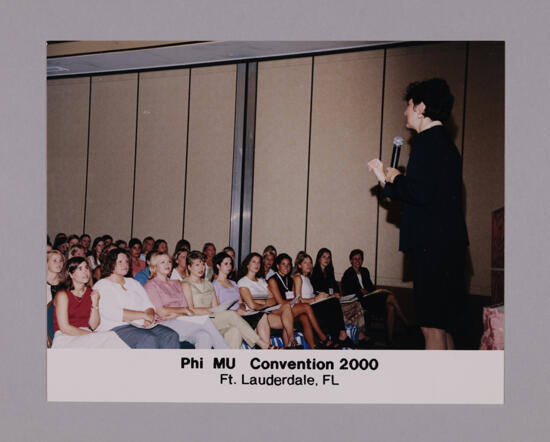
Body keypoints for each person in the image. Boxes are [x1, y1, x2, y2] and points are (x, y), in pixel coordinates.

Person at [367, 78, 468, 350]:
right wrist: (392, 181)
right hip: (449, 248)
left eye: (409, 105)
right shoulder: (446, 145)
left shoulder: (426, 143)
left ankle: (433, 391)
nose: (405, 112)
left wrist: (394, 179)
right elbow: (427, 194)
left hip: (432, 248)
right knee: (442, 326)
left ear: (421, 107)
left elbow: (420, 193)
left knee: (430, 326)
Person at [181, 251, 271, 349]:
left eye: (203, 264)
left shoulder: (208, 284)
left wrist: (215, 310)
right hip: (199, 319)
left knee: (235, 330)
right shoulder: (186, 284)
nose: (201, 268)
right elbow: (191, 309)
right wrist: (211, 310)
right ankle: (263, 344)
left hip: (212, 318)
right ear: (189, 267)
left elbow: (216, 307)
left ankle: (230, 361)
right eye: (197, 265)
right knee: (231, 314)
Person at [93, 248, 180, 348]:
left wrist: (149, 317)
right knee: (148, 339)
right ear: (111, 264)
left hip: (140, 325)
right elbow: (113, 312)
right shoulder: (102, 285)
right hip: (116, 327)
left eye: (126, 261)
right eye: (120, 262)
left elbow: (148, 305)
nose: (125, 264)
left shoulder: (132, 283)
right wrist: (143, 315)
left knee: (171, 335)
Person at [144, 252, 229, 349]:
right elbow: (161, 311)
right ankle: (227, 354)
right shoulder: (151, 285)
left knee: (204, 336)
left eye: (169, 262)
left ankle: (203, 363)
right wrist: (182, 311)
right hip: (164, 324)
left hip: (180, 320)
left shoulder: (175, 283)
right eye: (162, 262)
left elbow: (186, 308)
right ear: (154, 266)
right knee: (204, 320)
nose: (167, 265)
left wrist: (180, 313)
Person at [51, 257, 128, 348]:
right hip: (65, 337)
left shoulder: (91, 293)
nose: (85, 272)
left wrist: (95, 303)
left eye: (86, 268)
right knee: (109, 337)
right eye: (80, 269)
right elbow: (65, 328)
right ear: (71, 274)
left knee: (110, 340)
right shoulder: (62, 295)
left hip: (86, 337)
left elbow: (94, 325)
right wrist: (90, 334)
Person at [341, 249, 409, 345]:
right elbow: (346, 290)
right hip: (360, 302)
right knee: (390, 297)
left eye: (360, 259)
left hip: (370, 298)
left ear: (362, 260)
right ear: (351, 260)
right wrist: (359, 291)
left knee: (391, 307)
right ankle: (406, 323)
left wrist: (370, 291)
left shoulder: (365, 271)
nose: (357, 261)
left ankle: (390, 339)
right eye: (355, 259)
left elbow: (371, 287)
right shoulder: (348, 273)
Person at [267, 253, 333, 349]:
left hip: (289, 307)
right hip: (277, 309)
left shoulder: (289, 279)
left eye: (289, 264)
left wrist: (295, 301)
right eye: (283, 264)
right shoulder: (273, 280)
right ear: (277, 266)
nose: (287, 267)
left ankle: (312, 348)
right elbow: (279, 301)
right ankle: (322, 336)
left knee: (304, 318)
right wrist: (294, 302)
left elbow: (294, 297)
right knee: (306, 307)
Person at [311, 248, 372, 348]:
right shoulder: (315, 273)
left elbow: (335, 286)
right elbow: (317, 291)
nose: (327, 259)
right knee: (334, 303)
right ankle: (342, 334)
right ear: (318, 259)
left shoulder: (329, 272)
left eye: (329, 257)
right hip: (319, 302)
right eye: (324, 257)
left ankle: (352, 334)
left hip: (330, 300)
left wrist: (337, 293)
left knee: (353, 304)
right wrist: (331, 295)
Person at [238, 253, 300, 349]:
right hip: (255, 314)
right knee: (288, 322)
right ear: (247, 264)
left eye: (259, 262)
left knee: (287, 308)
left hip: (267, 311)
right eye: (254, 262)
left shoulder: (261, 281)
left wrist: (261, 303)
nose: (257, 265)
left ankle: (291, 341)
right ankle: (289, 344)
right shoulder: (243, 282)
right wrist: (265, 303)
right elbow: (252, 305)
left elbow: (273, 300)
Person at [293, 253, 355, 348]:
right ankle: (335, 337)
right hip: (304, 307)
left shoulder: (307, 278)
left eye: (310, 263)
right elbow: (298, 300)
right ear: (299, 265)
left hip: (312, 304)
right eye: (305, 263)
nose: (309, 265)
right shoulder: (298, 277)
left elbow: (311, 295)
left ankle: (337, 336)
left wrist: (321, 296)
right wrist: (315, 298)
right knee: (332, 304)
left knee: (333, 301)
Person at [212, 252, 272, 348]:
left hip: (240, 315)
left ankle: (265, 353)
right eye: (226, 264)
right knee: (235, 323)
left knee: (261, 315)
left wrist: (244, 310)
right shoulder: (214, 285)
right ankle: (264, 345)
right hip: (227, 317)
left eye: (230, 264)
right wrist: (237, 311)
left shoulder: (233, 283)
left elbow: (241, 302)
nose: (229, 266)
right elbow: (218, 309)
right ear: (218, 266)